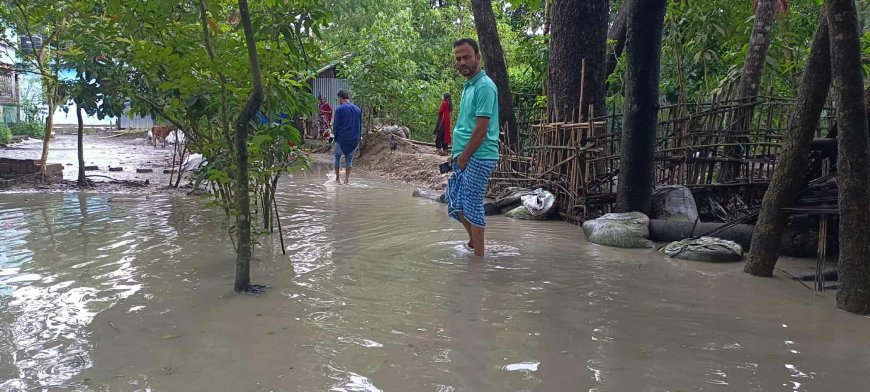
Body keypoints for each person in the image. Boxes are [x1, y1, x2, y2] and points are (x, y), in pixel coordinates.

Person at [445, 38, 500, 257]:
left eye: (467, 57)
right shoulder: (469, 86)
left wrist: (464, 156)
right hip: (464, 155)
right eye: (458, 58)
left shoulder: (485, 86)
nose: (462, 62)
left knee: (473, 206)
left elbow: (481, 129)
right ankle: (473, 243)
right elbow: (464, 126)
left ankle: (479, 260)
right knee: (455, 203)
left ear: (478, 57)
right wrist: (456, 155)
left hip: (478, 155)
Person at [332, 89, 362, 185]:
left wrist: (335, 137)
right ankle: (347, 180)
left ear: (340, 98)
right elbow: (360, 126)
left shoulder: (339, 109)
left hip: (341, 138)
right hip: (354, 139)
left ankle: (337, 179)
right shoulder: (357, 109)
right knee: (349, 160)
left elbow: (336, 125)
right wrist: (358, 138)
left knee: (337, 157)